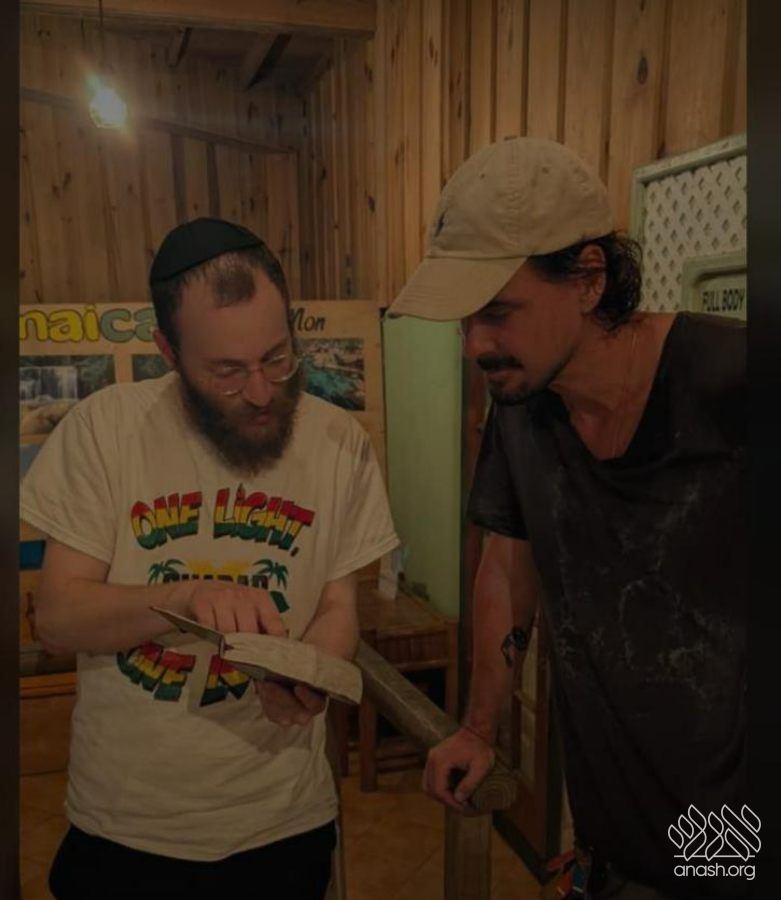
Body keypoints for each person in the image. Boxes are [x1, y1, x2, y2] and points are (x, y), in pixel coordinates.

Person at [388, 138, 746, 900]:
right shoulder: (522, 405)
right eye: (464, 319)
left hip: (732, 832)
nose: (474, 344)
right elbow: (506, 564)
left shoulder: (733, 383)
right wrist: (479, 727)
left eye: (497, 312)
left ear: (587, 279)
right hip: (608, 839)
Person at [21, 217, 399, 900]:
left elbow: (337, 603)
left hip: (284, 819)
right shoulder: (106, 430)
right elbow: (57, 617)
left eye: (277, 358)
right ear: (168, 350)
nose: (260, 391)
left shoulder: (339, 442)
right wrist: (183, 599)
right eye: (226, 371)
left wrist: (306, 672)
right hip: (128, 823)